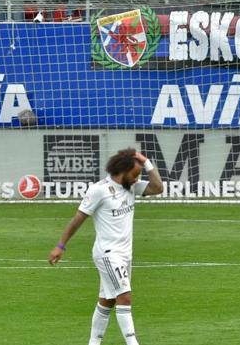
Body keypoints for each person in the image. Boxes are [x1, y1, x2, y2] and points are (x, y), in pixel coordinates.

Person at [48, 148, 163, 345]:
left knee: (107, 300)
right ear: (122, 171)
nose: (137, 179)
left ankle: (93, 343)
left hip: (125, 255)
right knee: (124, 297)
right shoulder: (99, 190)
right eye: (135, 174)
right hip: (108, 254)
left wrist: (146, 163)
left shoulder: (131, 187)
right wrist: (60, 246)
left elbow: (158, 187)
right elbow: (78, 219)